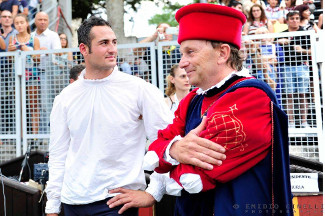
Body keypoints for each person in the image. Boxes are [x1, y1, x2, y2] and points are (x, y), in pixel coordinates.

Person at [109, 4, 293, 216]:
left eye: (190, 52)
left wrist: (169, 155)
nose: (182, 62)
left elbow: (200, 168)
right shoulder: (193, 99)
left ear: (223, 53)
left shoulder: (252, 95)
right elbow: (161, 142)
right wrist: (175, 149)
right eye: (182, 53)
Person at [44, 16, 174, 216]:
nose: (112, 49)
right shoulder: (65, 98)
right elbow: (59, 154)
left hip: (115, 203)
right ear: (84, 49)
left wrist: (153, 193)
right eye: (104, 43)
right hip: (71, 202)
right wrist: (52, 207)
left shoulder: (140, 89)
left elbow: (167, 142)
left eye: (114, 42)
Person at [278, 10, 312, 129]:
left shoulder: (305, 33)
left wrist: (301, 50)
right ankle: (291, 123)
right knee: (289, 95)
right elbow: (270, 45)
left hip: (302, 66)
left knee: (303, 94)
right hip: (286, 67)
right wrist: (278, 41)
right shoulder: (281, 34)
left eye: (297, 18)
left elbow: (313, 51)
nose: (295, 21)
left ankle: (304, 122)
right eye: (292, 18)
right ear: (287, 21)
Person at [8, 13, 40, 134]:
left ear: (27, 23)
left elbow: (38, 59)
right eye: (17, 23)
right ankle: (21, 136)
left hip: (32, 74)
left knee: (33, 105)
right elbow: (9, 60)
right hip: (17, 75)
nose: (19, 25)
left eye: (22, 22)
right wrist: (10, 52)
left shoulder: (34, 39)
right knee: (19, 106)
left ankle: (34, 137)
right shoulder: (12, 38)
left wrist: (28, 51)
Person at [32, 11, 61, 134]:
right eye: (40, 19)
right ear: (35, 21)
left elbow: (59, 53)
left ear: (48, 21)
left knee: (45, 104)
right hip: (32, 73)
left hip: (47, 73)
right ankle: (35, 136)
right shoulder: (31, 36)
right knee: (33, 106)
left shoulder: (53, 35)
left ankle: (47, 135)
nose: (42, 22)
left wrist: (47, 51)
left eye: (45, 19)